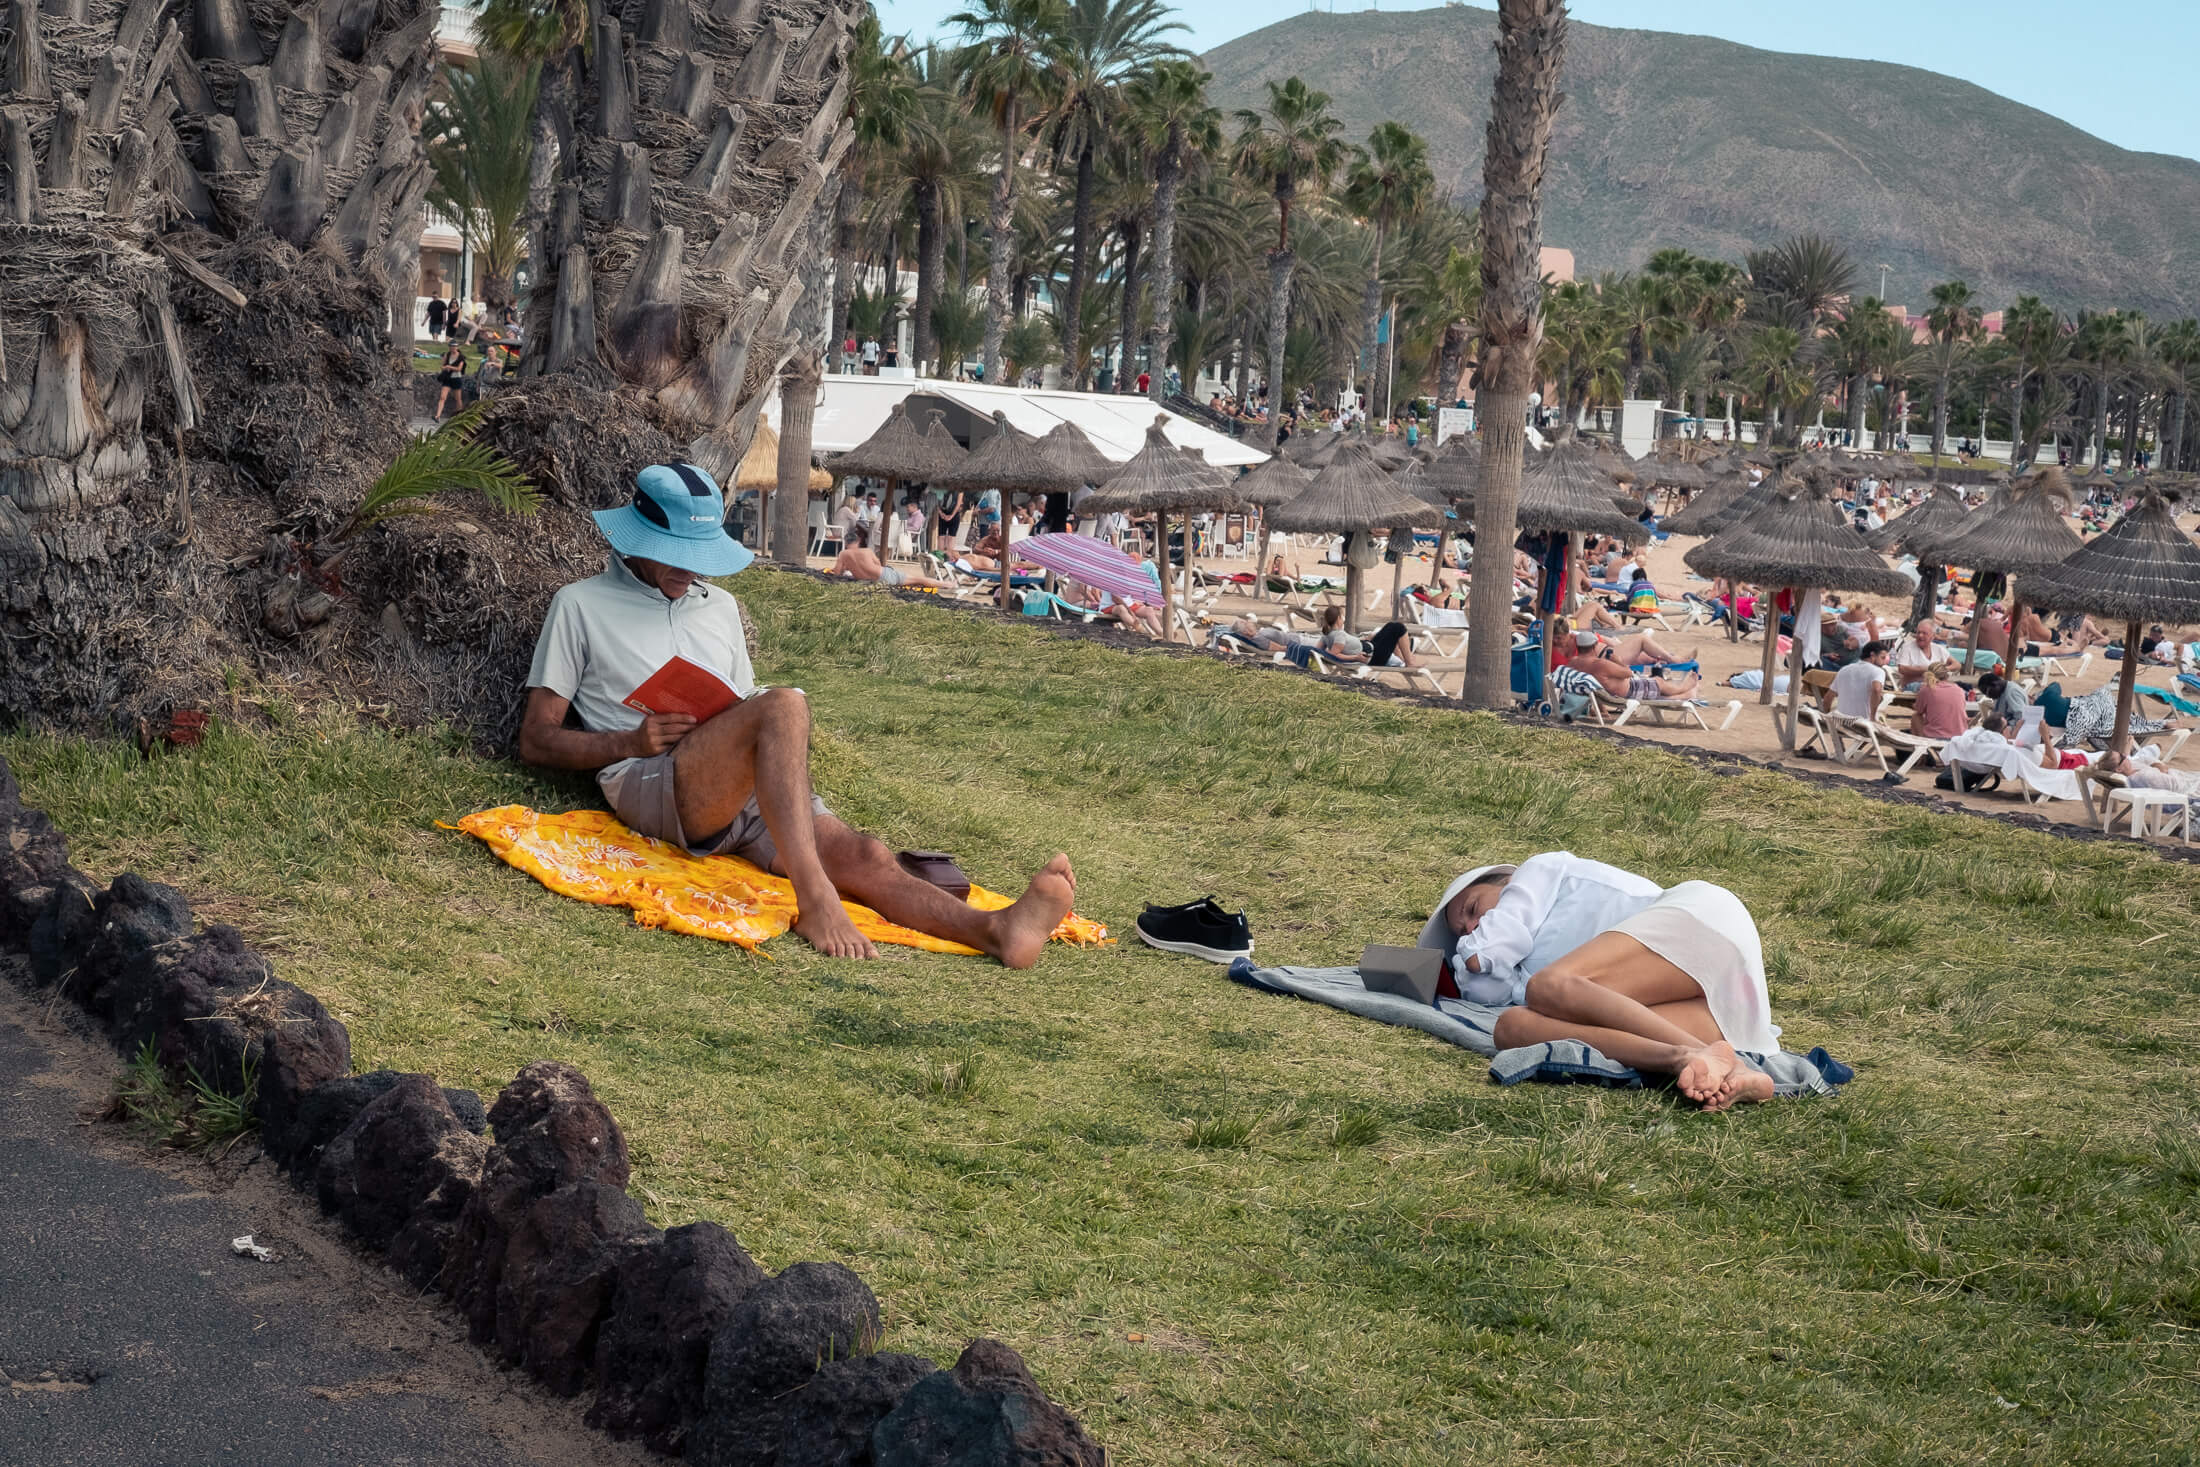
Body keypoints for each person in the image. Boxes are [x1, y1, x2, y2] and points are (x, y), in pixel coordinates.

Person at [519, 465, 1077, 962]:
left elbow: (738, 709)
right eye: (676, 555)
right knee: (784, 703)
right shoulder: (580, 605)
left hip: (734, 778)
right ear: (637, 541)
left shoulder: (720, 608)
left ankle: (996, 931)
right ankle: (817, 902)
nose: (689, 571)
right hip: (652, 781)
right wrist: (628, 743)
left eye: (699, 556)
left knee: (863, 853)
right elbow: (537, 739)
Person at [1428, 854, 1783, 1109]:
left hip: (1703, 923)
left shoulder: (1537, 872)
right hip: (1711, 1005)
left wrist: (1468, 954)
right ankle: (1690, 1057)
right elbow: (1489, 991)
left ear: (1504, 881)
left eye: (1473, 910)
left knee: (1547, 986)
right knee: (1513, 1026)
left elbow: (1487, 952)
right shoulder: (1521, 968)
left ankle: (1717, 1059)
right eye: (1462, 933)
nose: (1472, 929)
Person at [830, 544, 948, 590]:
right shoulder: (867, 551)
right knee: (919, 579)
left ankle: (946, 585)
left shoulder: (843, 554)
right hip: (883, 576)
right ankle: (948, 584)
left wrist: (848, 568)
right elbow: (879, 565)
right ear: (857, 543)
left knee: (914, 583)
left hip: (869, 582)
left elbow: (836, 573)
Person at [1831, 640, 1892, 721]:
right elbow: (1876, 690)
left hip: (1841, 722)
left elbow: (1828, 698)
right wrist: (1873, 717)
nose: (1884, 662)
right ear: (1872, 655)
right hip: (1862, 724)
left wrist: (1827, 719)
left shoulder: (1844, 669)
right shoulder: (1878, 671)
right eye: (1882, 657)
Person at [1911, 663, 1971, 740]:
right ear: (1947, 675)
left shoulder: (1927, 690)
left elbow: (1919, 711)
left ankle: (1920, 742)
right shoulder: (1959, 689)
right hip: (1959, 736)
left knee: (1915, 716)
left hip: (1936, 736)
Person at [1890, 619, 1954, 689]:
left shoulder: (1938, 648)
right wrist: (1927, 669)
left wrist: (1941, 669)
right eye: (1918, 632)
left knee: (1956, 689)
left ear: (1932, 636)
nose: (1920, 635)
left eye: (1924, 633)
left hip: (1935, 685)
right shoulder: (1907, 648)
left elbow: (1957, 665)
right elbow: (1902, 669)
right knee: (1934, 689)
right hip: (1913, 686)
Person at [433, 338, 468, 420]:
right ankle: (437, 415)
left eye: (454, 346)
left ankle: (460, 416)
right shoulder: (447, 355)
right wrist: (445, 368)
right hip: (448, 378)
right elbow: (442, 366)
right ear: (449, 347)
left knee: (458, 399)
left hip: (456, 378)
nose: (453, 348)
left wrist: (449, 367)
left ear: (457, 347)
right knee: (442, 397)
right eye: (451, 346)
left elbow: (459, 369)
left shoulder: (461, 357)